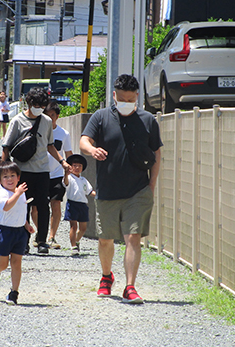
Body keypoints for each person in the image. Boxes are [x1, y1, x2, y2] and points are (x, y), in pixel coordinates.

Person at [80, 74, 163, 304]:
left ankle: (130, 287)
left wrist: (152, 185)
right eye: (122, 98)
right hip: (107, 190)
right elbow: (84, 140)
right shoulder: (101, 117)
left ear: (137, 96)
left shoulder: (148, 120)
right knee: (105, 239)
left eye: (131, 98)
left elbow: (156, 153)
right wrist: (91, 150)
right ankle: (107, 277)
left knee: (133, 237)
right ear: (114, 95)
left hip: (138, 191)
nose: (126, 102)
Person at [1, 87, 70, 255]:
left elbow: (50, 145)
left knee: (43, 206)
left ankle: (42, 241)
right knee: (23, 206)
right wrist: (2, 171)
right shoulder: (17, 121)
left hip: (42, 171)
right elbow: (6, 146)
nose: (39, 108)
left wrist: (62, 161)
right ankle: (23, 241)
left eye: (42, 105)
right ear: (29, 103)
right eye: (36, 105)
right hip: (22, 171)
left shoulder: (46, 121)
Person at [0, 160, 35, 305]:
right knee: (3, 264)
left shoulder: (20, 192)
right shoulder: (2, 194)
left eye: (13, 175)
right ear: (0, 180)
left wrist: (27, 225)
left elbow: (20, 210)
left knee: (17, 263)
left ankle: (14, 292)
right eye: (5, 177)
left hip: (20, 232)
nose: (9, 179)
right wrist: (18, 193)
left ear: (18, 177)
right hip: (5, 232)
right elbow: (7, 207)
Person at [44, 101, 72, 249]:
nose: (50, 118)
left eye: (52, 116)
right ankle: (39, 234)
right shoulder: (39, 131)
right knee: (37, 207)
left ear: (57, 116)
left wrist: (70, 171)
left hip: (57, 175)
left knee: (56, 205)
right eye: (47, 115)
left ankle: (52, 236)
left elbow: (69, 155)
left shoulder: (63, 134)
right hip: (40, 173)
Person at [62, 154, 95, 256]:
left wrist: (99, 196)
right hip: (72, 204)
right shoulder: (69, 178)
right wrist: (66, 174)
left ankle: (76, 240)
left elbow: (90, 191)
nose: (77, 168)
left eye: (79, 166)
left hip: (83, 205)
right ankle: (73, 247)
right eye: (74, 165)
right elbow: (65, 182)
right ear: (70, 167)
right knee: (73, 226)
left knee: (83, 228)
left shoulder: (84, 180)